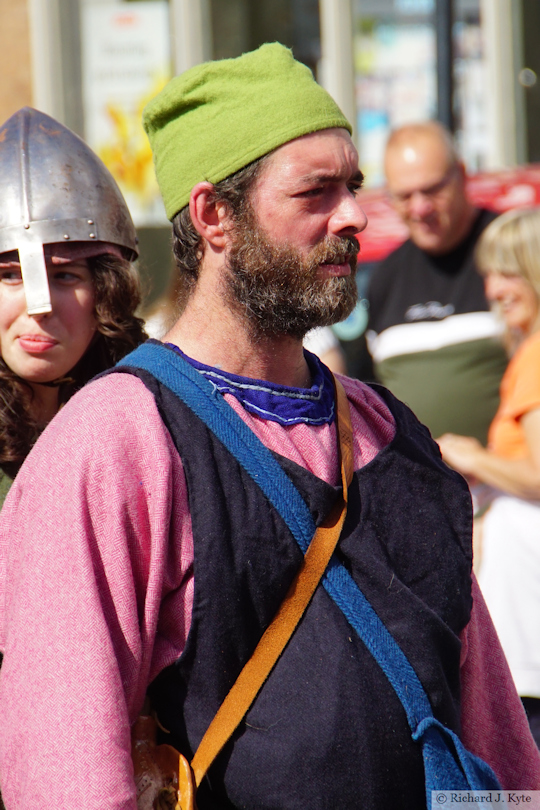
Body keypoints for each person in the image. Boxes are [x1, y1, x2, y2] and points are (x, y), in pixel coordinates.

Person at [0, 45, 538, 810]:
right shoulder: (113, 444)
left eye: (352, 184)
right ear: (214, 216)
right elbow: (66, 769)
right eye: (315, 191)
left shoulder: (391, 432)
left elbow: (488, 732)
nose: (353, 214)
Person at [0, 107, 147, 504]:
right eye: (10, 276)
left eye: (65, 276)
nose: (39, 307)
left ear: (106, 293)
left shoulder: (143, 420)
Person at [439, 208, 540, 748]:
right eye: (490, 272)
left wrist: (471, 457)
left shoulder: (535, 356)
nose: (494, 288)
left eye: (509, 271)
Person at [366, 122, 507, 444]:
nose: (420, 208)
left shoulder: (509, 252)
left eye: (432, 190)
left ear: (462, 174)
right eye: (404, 196)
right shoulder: (385, 278)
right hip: (419, 488)